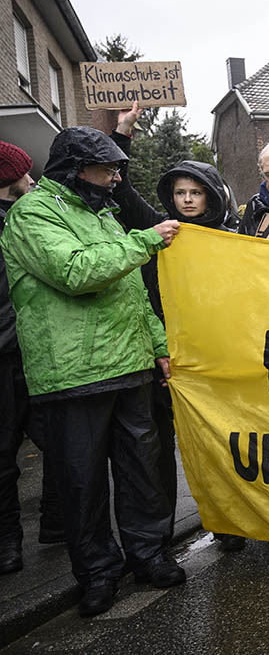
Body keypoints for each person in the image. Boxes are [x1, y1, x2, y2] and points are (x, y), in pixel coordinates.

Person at [0, 127, 186, 617]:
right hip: (73, 373)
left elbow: (132, 292)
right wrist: (146, 240)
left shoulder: (103, 215)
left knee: (142, 472)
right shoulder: (32, 214)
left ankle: (149, 556)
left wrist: (158, 346)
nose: (115, 178)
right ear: (76, 170)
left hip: (131, 365)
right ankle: (98, 574)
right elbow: (75, 272)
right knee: (82, 483)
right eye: (107, 170)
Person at [108, 108, 247, 552]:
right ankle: (160, 537)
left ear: (212, 197)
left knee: (219, 443)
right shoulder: (160, 229)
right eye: (180, 192)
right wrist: (123, 133)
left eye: (195, 192)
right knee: (156, 451)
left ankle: (231, 520)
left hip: (214, 358)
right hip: (164, 355)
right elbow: (121, 189)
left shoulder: (232, 240)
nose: (186, 200)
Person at [0, 143, 62, 576]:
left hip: (33, 351)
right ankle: (8, 540)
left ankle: (55, 522)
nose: (32, 179)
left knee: (60, 439)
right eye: (25, 173)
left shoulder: (27, 217)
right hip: (9, 355)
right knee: (4, 453)